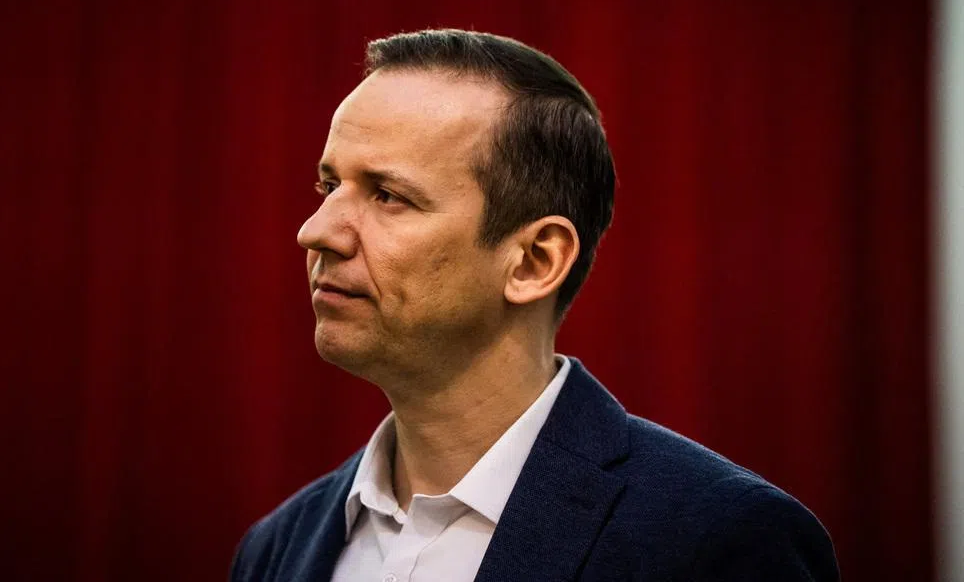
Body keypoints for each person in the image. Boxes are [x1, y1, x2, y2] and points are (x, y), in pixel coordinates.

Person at [230, 29, 839, 582]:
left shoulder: (719, 542)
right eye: (330, 186)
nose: (315, 231)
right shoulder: (276, 549)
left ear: (534, 262)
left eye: (389, 196)